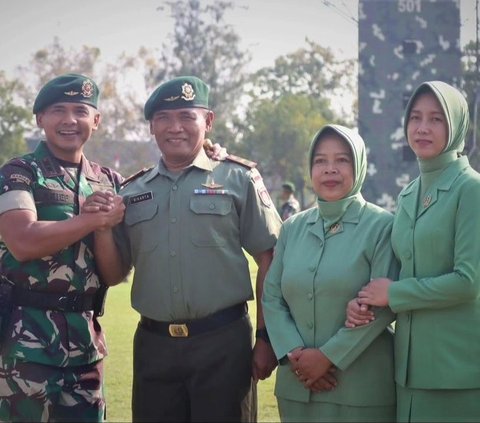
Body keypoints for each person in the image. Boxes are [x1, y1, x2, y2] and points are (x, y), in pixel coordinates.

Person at [92, 76, 282, 422]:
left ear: (207, 121)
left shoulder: (238, 179)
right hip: (154, 346)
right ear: (152, 126)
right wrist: (102, 229)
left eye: (186, 116)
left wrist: (266, 337)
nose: (174, 127)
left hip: (223, 344)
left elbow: (269, 259)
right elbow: (116, 273)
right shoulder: (132, 191)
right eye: (164, 118)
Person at [349, 81, 480, 422]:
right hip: (407, 368)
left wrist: (395, 293)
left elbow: (468, 281)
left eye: (437, 119)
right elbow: (398, 271)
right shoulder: (408, 195)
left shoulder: (471, 190)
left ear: (456, 126)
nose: (422, 128)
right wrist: (362, 302)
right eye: (416, 118)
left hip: (457, 370)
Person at [0, 73, 126, 422]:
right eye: (58, 110)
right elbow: (23, 241)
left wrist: (103, 230)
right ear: (40, 118)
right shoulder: (20, 172)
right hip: (25, 348)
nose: (70, 120)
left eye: (80, 110)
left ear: (96, 120)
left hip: (86, 350)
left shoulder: (109, 181)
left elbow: (114, 275)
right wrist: (92, 221)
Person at [262, 124, 398, 422]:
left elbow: (383, 306)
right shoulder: (292, 228)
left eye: (342, 160)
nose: (330, 170)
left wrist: (326, 358)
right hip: (297, 388)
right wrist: (297, 356)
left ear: (359, 166)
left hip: (361, 389)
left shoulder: (382, 227)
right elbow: (271, 297)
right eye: (320, 161)